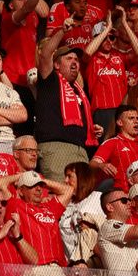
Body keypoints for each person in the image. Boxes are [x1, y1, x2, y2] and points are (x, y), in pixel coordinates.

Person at [35, 18, 96, 182]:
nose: (75, 62)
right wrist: (62, 30)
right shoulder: (50, 80)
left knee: (81, 199)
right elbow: (45, 54)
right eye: (69, 59)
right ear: (56, 65)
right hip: (56, 148)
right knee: (61, 197)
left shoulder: (78, 89)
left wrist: (91, 128)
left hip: (81, 150)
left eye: (76, 60)